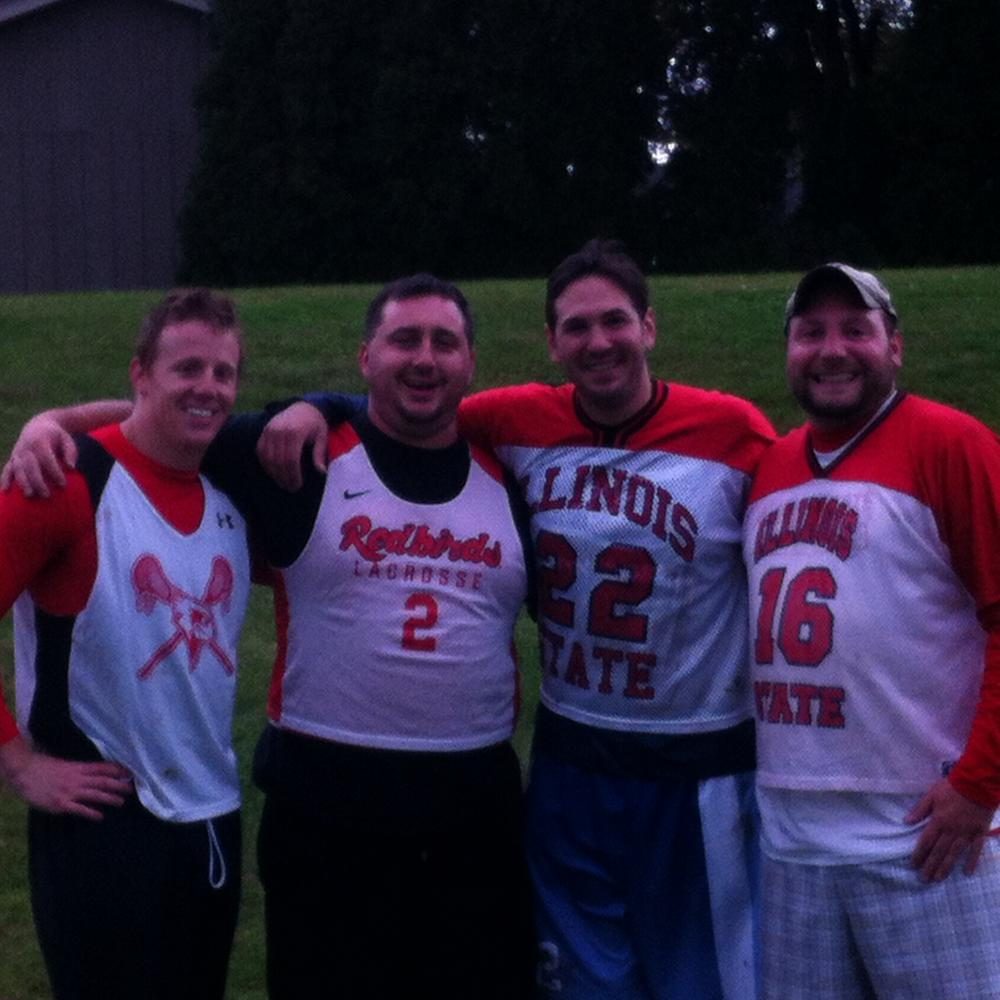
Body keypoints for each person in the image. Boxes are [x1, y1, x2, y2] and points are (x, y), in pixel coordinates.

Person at [5, 274, 536, 1000]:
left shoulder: (510, 474)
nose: (209, 387)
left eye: (223, 372)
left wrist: (320, 406)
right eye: (403, 339)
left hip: (272, 815)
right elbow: (155, 424)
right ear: (365, 356)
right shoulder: (98, 479)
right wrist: (51, 424)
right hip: (204, 815)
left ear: (471, 362)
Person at [267, 240, 774, 998]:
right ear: (550, 341)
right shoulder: (515, 418)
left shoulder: (732, 431)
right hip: (571, 755)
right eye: (576, 327)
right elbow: (407, 408)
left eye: (615, 322)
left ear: (649, 327)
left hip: (693, 760)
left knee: (704, 981)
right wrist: (319, 404)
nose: (598, 343)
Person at [744, 263, 1000, 997]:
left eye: (856, 330)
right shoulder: (771, 468)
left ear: (895, 347)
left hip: (924, 838)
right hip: (795, 847)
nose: (832, 349)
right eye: (810, 333)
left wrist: (980, 784)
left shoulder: (952, 445)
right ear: (789, 350)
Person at [0, 289, 250, 999]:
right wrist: (18, 764)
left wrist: (51, 415)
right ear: (140, 374)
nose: (206, 388)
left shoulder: (229, 483)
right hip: (102, 820)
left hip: (211, 816)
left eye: (223, 373)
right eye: (187, 368)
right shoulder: (64, 480)